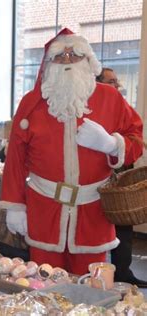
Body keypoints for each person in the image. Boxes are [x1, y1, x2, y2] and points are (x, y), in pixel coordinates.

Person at [0, 28, 143, 275]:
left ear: (88, 60)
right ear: (48, 64)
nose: (67, 60)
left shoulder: (111, 99)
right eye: (59, 56)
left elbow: (136, 141)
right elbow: (16, 159)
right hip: (44, 210)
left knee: (89, 288)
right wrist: (14, 205)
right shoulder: (32, 103)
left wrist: (110, 144)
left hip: (93, 213)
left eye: (74, 54)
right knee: (43, 284)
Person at [96, 67, 147, 287]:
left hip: (119, 175)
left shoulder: (121, 106)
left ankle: (123, 272)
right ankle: (98, 276)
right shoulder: (94, 107)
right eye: (112, 81)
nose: (117, 86)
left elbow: (134, 136)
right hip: (96, 180)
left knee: (123, 227)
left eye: (117, 82)